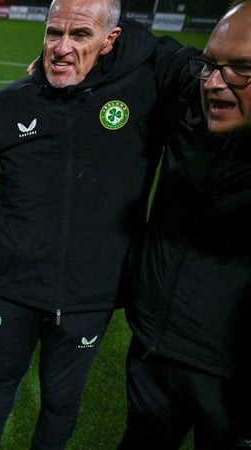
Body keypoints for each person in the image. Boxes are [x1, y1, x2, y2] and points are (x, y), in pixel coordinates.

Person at [0, 0, 166, 448]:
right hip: (14, 286)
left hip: (90, 294)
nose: (62, 47)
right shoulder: (8, 104)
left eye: (81, 35)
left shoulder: (144, 98)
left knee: (61, 399)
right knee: (1, 376)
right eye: (54, 33)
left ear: (111, 40)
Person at [118, 1, 251, 447]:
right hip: (153, 349)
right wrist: (71, 48)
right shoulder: (191, 87)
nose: (213, 82)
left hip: (231, 378)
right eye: (211, 63)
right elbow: (147, 44)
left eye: (242, 69)